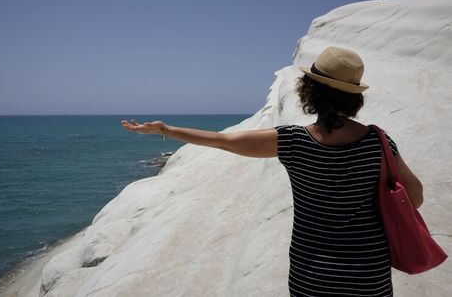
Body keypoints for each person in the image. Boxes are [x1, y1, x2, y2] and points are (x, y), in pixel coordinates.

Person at [121, 46, 423, 296]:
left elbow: (224, 142)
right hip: (368, 273)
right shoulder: (378, 141)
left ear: (310, 91)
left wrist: (166, 129)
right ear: (354, 97)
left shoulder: (293, 141)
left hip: (312, 274)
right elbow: (416, 196)